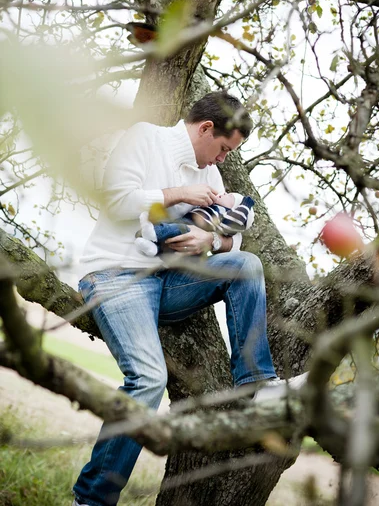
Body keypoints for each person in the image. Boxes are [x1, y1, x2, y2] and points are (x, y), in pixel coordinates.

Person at [72, 91, 306, 506]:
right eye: (223, 149)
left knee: (247, 264)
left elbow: (231, 239)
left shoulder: (211, 177)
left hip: (168, 284)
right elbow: (116, 200)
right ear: (205, 128)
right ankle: (91, 500)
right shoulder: (146, 138)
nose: (221, 160)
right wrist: (177, 193)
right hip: (114, 275)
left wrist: (212, 237)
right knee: (148, 380)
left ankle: (256, 382)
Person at [134, 191, 255, 257]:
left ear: (235, 209)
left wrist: (245, 205)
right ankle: (154, 249)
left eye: (229, 196)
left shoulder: (225, 216)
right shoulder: (211, 205)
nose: (223, 193)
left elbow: (237, 222)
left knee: (173, 232)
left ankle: (153, 232)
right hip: (185, 222)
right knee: (170, 238)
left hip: (192, 229)